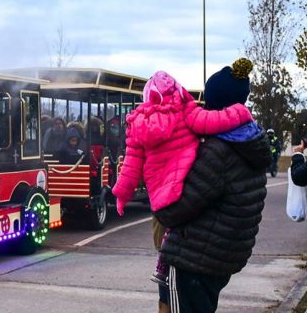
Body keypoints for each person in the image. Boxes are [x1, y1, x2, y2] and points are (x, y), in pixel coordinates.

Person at [112, 63, 254, 288]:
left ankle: (163, 266)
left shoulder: (137, 124)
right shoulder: (186, 112)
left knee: (164, 230)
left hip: (159, 190)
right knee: (176, 227)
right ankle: (166, 265)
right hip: (185, 179)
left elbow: (130, 167)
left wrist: (121, 195)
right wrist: (241, 112)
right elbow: (214, 121)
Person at [154, 59, 271, 312]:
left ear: (213, 104)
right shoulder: (250, 142)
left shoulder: (218, 151)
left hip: (193, 259)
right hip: (220, 257)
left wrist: (158, 194)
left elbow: (176, 209)